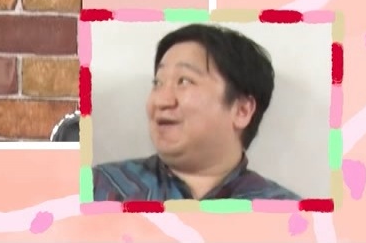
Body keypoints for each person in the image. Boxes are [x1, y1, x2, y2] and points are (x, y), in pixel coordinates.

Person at [91, 24, 300, 201]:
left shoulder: (287, 214)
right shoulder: (98, 187)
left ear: (242, 110)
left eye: (184, 81)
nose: (161, 101)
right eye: (158, 83)